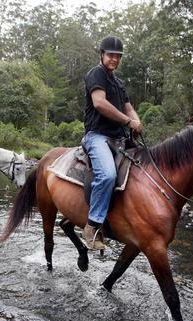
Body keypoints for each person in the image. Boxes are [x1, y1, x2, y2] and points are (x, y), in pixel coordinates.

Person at [82, 35, 143, 250]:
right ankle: (92, 226)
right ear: (101, 54)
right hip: (97, 136)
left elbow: (128, 107)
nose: (114, 59)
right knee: (107, 174)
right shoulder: (96, 74)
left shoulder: (119, 83)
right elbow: (99, 103)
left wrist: (136, 120)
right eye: (111, 55)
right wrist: (128, 121)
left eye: (118, 56)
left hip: (119, 138)